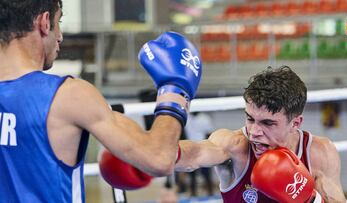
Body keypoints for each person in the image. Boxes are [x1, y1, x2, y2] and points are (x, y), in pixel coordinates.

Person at [0, 1, 202, 202]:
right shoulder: (67, 95)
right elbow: (159, 158)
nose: (60, 36)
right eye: (58, 21)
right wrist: (176, 89)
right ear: (44, 22)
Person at [175, 66, 346, 203]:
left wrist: (309, 200)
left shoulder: (319, 152)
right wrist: (153, 149)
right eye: (250, 119)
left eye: (267, 123)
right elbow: (194, 154)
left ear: (295, 123)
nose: (254, 132)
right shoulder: (233, 146)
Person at [185, 112, 215, 196]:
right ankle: (193, 195)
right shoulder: (186, 117)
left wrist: (208, 149)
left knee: (207, 174)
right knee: (192, 174)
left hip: (203, 148)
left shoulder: (205, 118)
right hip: (189, 149)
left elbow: (210, 135)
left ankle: (210, 194)